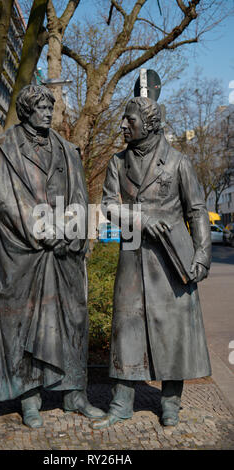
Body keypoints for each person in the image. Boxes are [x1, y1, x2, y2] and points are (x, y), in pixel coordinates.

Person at [0, 84, 104, 428]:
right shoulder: (3, 148)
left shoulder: (69, 150)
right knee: (23, 325)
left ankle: (74, 395)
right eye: (42, 108)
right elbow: (4, 200)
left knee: (72, 321)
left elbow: (80, 198)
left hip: (64, 253)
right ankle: (29, 399)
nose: (49, 114)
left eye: (51, 108)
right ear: (26, 111)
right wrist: (43, 231)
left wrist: (66, 229)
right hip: (24, 254)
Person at [91, 96, 212, 429]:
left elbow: (197, 210)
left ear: (150, 124)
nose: (123, 126)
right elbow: (108, 207)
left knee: (174, 332)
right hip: (133, 252)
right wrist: (142, 219)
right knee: (126, 328)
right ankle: (120, 404)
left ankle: (170, 404)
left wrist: (202, 253)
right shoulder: (118, 162)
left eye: (130, 120)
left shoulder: (178, 163)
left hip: (171, 258)